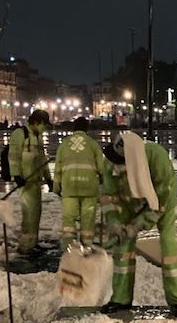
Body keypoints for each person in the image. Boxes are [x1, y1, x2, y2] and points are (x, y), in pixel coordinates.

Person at [100, 132, 177, 317]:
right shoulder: (110, 161)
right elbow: (108, 196)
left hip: (162, 204)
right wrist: (115, 222)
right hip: (128, 204)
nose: (116, 164)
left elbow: (161, 199)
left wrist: (139, 223)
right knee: (122, 250)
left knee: (168, 245)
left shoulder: (157, 158)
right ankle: (120, 299)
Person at [53, 116, 106, 248]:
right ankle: (86, 246)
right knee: (88, 221)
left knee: (69, 220)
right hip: (89, 188)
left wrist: (56, 188)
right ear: (87, 128)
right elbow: (102, 168)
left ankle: (69, 249)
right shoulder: (92, 144)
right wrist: (105, 184)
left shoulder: (64, 144)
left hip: (69, 187)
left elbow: (58, 169)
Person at [8, 109, 54, 256]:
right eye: (44, 124)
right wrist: (16, 175)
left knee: (36, 213)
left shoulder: (37, 137)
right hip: (25, 182)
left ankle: (33, 243)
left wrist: (48, 178)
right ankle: (25, 247)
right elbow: (13, 156)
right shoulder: (21, 134)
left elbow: (42, 160)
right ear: (35, 122)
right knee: (29, 215)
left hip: (35, 182)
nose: (45, 127)